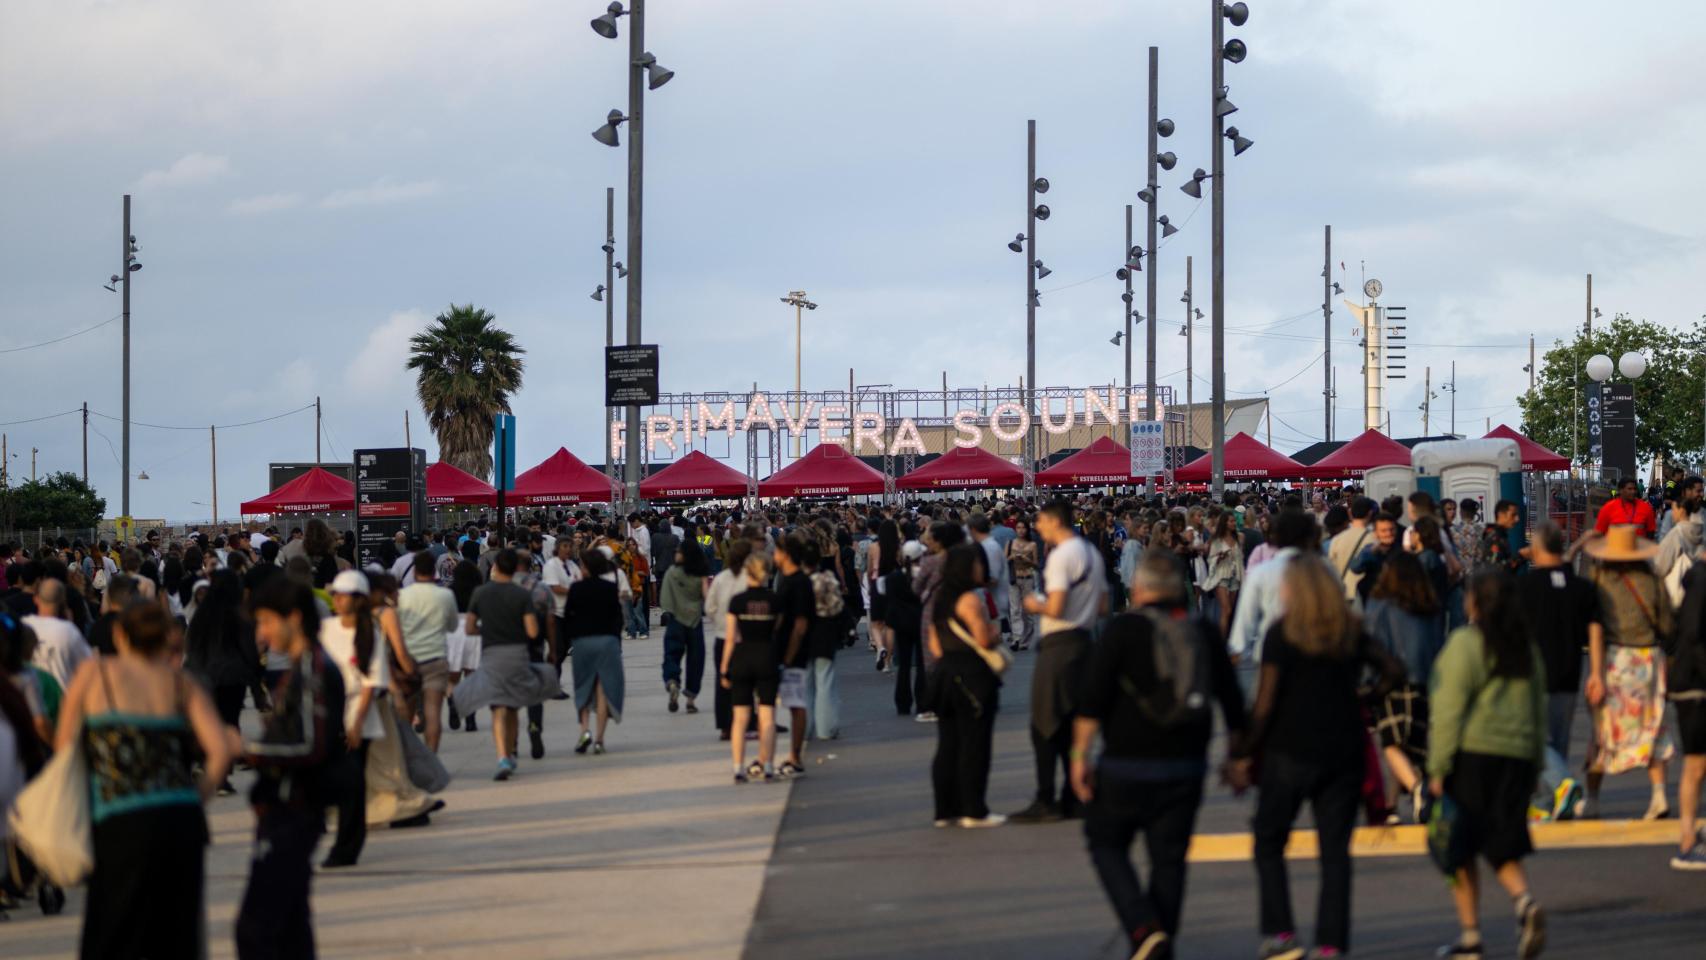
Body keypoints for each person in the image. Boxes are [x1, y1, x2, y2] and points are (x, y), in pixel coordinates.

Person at [1071, 552, 1247, 959]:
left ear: (1139, 588)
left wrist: (1080, 756)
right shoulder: (1203, 631)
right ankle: (1157, 935)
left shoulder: (1121, 630)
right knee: (1169, 859)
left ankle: (1143, 927)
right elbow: (1234, 705)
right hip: (1186, 764)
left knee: (1105, 843)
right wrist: (1237, 760)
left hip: (1124, 764)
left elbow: (1091, 701)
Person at [1231, 555, 1402, 960]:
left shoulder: (1281, 633)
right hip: (1343, 751)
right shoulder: (1350, 630)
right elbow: (1394, 669)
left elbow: (1265, 702)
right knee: (1335, 852)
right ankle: (1331, 943)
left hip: (1289, 751)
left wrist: (1242, 751)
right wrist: (1366, 697)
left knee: (1269, 839)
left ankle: (1281, 933)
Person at [56, 602, 231, 959]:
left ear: (120, 636)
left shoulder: (94, 675)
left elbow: (64, 746)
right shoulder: (181, 685)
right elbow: (221, 752)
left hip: (120, 819)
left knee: (114, 929)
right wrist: (196, 795)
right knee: (176, 933)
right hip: (181, 819)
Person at [1428, 570, 1549, 960]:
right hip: (1517, 758)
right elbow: (1538, 709)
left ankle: (1471, 937)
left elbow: (1448, 709)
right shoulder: (1525, 647)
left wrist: (1437, 766)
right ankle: (1524, 901)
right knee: (1501, 841)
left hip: (1472, 757)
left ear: (1475, 602)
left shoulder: (1465, 643)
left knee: (1457, 849)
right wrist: (1536, 765)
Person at [236, 578, 346, 960]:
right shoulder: (303, 667)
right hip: (285, 807)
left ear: (294, 618)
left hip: (295, 810)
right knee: (292, 927)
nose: (262, 634)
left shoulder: (314, 670)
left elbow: (312, 744)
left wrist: (249, 749)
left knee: (257, 929)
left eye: (266, 622)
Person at [1013, 499, 1107, 824]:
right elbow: (1104, 605)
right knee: (1070, 723)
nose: (1037, 527)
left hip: (1059, 646)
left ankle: (1045, 798)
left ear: (1054, 521)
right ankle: (1073, 795)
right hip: (1084, 642)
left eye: (1040, 521)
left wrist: (1033, 604)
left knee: (1044, 723)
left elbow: (1054, 607)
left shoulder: (1060, 557)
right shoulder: (1091, 554)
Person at [1583, 524, 1675, 820]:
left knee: (1603, 731)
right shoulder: (1652, 579)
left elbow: (1591, 624)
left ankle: (1593, 800)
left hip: (1614, 660)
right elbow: (1667, 625)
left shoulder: (1599, 578)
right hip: (1649, 660)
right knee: (1653, 728)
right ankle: (1659, 795)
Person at [454, 549, 560, 779]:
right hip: (518, 654)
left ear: (497, 567)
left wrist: (489, 629)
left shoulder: (480, 593)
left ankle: (503, 756)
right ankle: (511, 751)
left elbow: (470, 628)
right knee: (511, 705)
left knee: (497, 707)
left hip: (492, 653)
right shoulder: (522, 595)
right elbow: (532, 631)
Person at [1515, 523, 1601, 782]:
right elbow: (1596, 630)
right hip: (1571, 673)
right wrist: (1596, 672)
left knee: (1534, 740)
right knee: (1560, 741)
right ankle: (1555, 804)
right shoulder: (1582, 588)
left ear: (1536, 548)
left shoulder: (1525, 587)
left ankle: (1561, 787)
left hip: (1533, 675)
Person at [317, 570, 392, 868]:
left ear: (358, 599)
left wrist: (357, 723)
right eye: (335, 593)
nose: (337, 599)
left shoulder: (370, 633)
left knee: (352, 787)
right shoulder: (325, 628)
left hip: (357, 720)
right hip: (327, 715)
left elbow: (372, 683)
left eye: (343, 594)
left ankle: (346, 847)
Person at [1363, 550, 1445, 820]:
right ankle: (1395, 804)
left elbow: (1372, 646)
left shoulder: (1380, 605)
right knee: (1413, 745)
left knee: (1391, 744)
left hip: (1392, 682)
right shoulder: (1430, 607)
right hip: (1424, 682)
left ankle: (1415, 789)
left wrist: (1367, 686)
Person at [929, 543, 1005, 828]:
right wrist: (994, 635)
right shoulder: (970, 600)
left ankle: (944, 809)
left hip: (946, 675)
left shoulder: (941, 599)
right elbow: (984, 639)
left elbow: (935, 645)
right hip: (973, 675)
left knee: (947, 744)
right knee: (975, 744)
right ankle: (974, 809)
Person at [184, 568, 259, 796]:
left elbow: (192, 647)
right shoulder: (238, 615)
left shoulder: (202, 614)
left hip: (203, 677)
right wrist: (254, 676)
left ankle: (207, 765)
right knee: (229, 723)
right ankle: (223, 777)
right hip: (232, 677)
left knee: (207, 724)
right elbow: (249, 648)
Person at [722, 553, 782, 783]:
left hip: (742, 657)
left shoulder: (737, 601)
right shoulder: (775, 601)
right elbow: (777, 632)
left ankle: (738, 767)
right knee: (767, 717)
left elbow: (730, 637)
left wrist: (724, 667)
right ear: (766, 573)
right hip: (767, 656)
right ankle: (767, 765)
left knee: (740, 717)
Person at [565, 549, 626, 755]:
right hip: (607, 642)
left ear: (587, 568)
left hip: (583, 642)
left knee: (583, 688)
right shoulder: (610, 588)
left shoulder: (575, 589)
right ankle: (599, 739)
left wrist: (573, 637)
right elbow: (618, 617)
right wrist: (615, 641)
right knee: (603, 690)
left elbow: (568, 616)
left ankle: (585, 730)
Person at [396, 551, 458, 752]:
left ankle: (407, 756)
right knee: (433, 713)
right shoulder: (445, 595)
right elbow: (452, 625)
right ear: (434, 571)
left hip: (409, 660)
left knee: (406, 712)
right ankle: (431, 757)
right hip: (435, 657)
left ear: (414, 572)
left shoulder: (402, 596)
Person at [1668, 560, 1706, 869]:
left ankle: (1691, 836)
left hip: (1688, 683)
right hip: (1694, 687)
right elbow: (1693, 634)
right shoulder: (1701, 583)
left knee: (1696, 764)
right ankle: (1687, 842)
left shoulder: (1694, 581)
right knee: (1695, 764)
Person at [773, 534, 815, 778]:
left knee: (796, 704)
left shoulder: (797, 582)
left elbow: (800, 624)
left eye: (777, 551)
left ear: (786, 553)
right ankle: (793, 754)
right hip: (786, 650)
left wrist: (787, 657)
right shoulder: (788, 580)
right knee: (791, 704)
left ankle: (796, 755)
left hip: (793, 654)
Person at [705, 538, 752, 740]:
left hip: (723, 637)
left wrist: (720, 623)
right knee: (746, 682)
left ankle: (725, 725)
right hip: (745, 638)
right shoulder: (750, 578)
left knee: (722, 681)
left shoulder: (721, 578)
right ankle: (747, 722)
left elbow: (709, 607)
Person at [660, 540, 709, 715]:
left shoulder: (671, 573)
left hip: (675, 621)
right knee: (696, 660)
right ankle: (690, 699)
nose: (676, 554)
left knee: (671, 655)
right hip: (695, 620)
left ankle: (672, 680)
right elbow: (706, 597)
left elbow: (665, 601)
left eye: (679, 551)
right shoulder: (700, 574)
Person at [23, 577, 91, 691]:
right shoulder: (68, 631)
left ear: (36, 599)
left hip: (31, 697)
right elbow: (88, 665)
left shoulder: (23, 624)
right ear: (62, 601)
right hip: (62, 699)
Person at [885, 541, 929, 716]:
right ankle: (922, 701)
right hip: (921, 621)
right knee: (921, 664)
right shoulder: (924, 576)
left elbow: (890, 601)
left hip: (902, 623)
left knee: (903, 664)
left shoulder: (893, 578)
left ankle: (902, 703)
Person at [1199, 509, 1243, 640]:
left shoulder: (1239, 537)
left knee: (1230, 611)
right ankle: (1222, 641)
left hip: (1235, 575)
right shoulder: (1216, 539)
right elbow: (1210, 557)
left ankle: (1228, 638)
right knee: (1226, 610)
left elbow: (1240, 557)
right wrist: (1219, 557)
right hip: (1221, 575)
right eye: (1231, 521)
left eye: (1234, 521)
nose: (1234, 523)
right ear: (1224, 523)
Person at [1327, 497, 1376, 605]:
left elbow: (1330, 569)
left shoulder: (1336, 539)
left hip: (1342, 594)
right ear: (1370, 513)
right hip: (1366, 595)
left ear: (1350, 514)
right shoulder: (1375, 539)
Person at [1007, 518, 1040, 651]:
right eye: (1018, 528)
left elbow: (1036, 564)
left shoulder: (1032, 545)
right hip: (1014, 579)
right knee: (1015, 610)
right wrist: (1013, 557)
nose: (1021, 530)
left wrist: (1027, 559)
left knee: (1027, 611)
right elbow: (1005, 560)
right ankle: (1017, 637)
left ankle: (1026, 639)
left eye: (1023, 528)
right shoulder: (1010, 544)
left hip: (1028, 578)